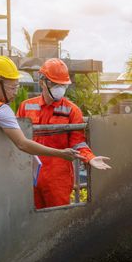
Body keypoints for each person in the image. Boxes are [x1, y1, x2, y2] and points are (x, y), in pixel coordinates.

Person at [17, 58, 111, 209]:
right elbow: (18, 140)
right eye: (55, 84)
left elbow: (78, 142)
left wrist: (90, 158)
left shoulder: (72, 110)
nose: (59, 88)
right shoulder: (26, 106)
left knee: (57, 220)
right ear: (42, 82)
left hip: (57, 178)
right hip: (30, 176)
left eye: (62, 85)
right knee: (31, 224)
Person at [0, 55, 82, 162]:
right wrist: (60, 153)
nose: (15, 93)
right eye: (13, 88)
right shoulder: (2, 109)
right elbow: (22, 144)